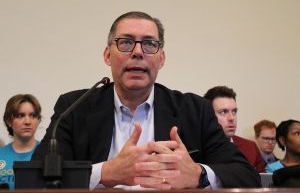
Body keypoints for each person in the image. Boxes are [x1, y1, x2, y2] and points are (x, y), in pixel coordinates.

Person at [32, 11, 261, 189]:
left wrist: (198, 175)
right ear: (107, 55)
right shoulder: (75, 107)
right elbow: (35, 175)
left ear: (161, 59)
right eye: (126, 42)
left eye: (150, 44)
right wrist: (105, 172)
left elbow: (246, 175)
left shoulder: (194, 110)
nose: (138, 52)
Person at [204, 86, 265, 173]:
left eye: (234, 111)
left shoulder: (250, 147)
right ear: (208, 115)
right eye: (223, 112)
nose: (232, 118)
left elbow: (263, 182)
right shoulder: (198, 147)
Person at [0, 94, 41, 189]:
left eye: (33, 115)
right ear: (8, 121)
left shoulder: (47, 154)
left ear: (38, 119)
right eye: (20, 115)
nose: (27, 121)